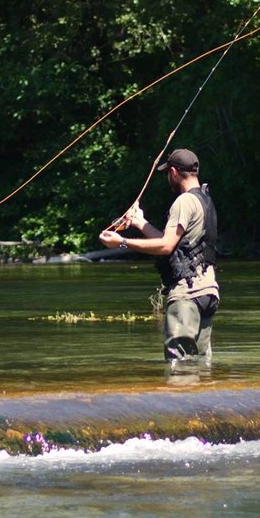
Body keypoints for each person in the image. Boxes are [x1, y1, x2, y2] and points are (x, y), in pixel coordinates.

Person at [98, 148, 220, 361]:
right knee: (200, 365)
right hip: (207, 291)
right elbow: (174, 241)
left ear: (173, 172)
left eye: (167, 173)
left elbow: (165, 246)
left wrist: (123, 242)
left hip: (187, 295)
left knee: (178, 365)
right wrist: (140, 223)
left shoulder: (183, 202)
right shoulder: (204, 200)